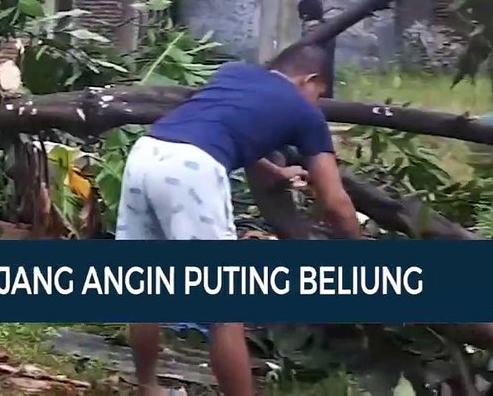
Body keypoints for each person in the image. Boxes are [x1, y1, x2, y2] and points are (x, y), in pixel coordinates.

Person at [115, 43, 361, 396]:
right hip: (191, 170)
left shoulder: (235, 74)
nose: (317, 103)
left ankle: (149, 388)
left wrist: (275, 171)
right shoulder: (307, 115)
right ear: (311, 79)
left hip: (147, 153)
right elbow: (336, 203)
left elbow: (221, 129)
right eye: (319, 95)